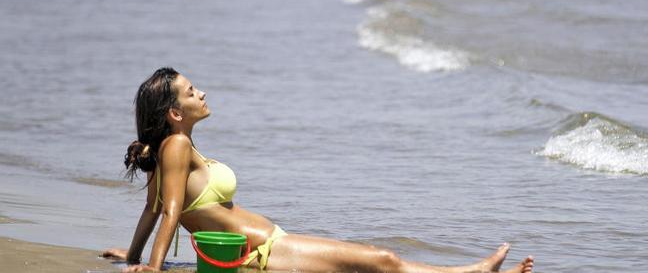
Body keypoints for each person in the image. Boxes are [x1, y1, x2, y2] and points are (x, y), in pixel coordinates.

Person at [101, 68, 535, 273]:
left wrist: (134, 255)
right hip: (263, 255)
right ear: (176, 113)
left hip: (270, 245)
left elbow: (151, 209)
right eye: (192, 91)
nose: (203, 92)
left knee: (380, 263)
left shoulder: (173, 148)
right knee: (381, 261)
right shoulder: (176, 146)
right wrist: (153, 270)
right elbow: (171, 210)